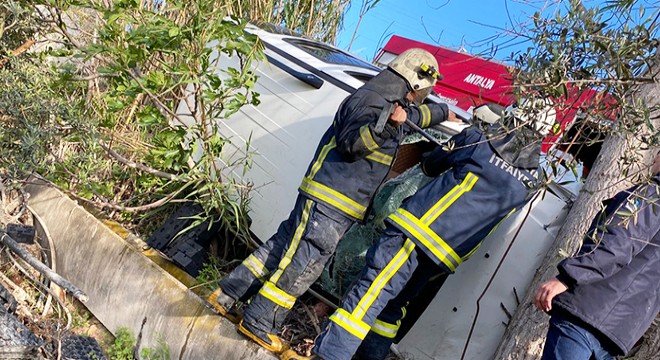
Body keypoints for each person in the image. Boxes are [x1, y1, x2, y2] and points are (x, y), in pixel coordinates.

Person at [208, 48, 459, 353]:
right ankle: (260, 321)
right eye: (427, 89)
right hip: (332, 201)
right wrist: (389, 127)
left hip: (331, 199)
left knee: (280, 249)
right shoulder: (373, 100)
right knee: (304, 263)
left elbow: (414, 117)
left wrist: (444, 113)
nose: (425, 96)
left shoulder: (390, 102)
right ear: (416, 81)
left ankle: (225, 295)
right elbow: (353, 144)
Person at [282, 100, 559, 360]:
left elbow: (431, 163)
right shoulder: (531, 182)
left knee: (368, 294)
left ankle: (330, 354)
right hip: (445, 256)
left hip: (415, 232)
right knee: (394, 307)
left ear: (513, 118)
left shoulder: (479, 142)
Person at [534, 151, 660, 360]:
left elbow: (617, 243)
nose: (654, 159)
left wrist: (567, 278)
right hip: (620, 331)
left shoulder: (652, 194)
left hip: (587, 311)